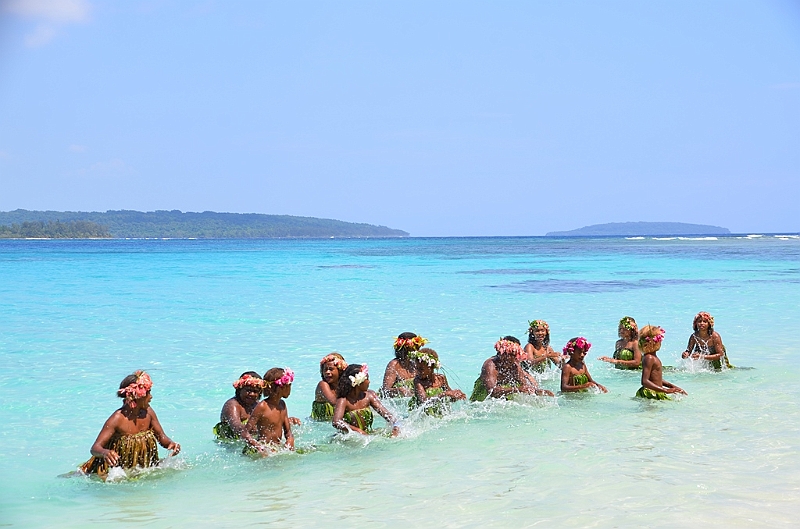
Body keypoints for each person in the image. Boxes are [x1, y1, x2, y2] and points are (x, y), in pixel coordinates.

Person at [79, 371, 180, 480]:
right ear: (136, 396)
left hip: (140, 468)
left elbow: (161, 437)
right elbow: (95, 448)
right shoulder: (117, 419)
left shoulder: (148, 413)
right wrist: (105, 453)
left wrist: (171, 444)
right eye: (148, 393)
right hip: (115, 471)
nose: (151, 397)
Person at [470, 336, 553, 401]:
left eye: (516, 354)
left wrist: (538, 392)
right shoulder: (490, 365)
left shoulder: (515, 365)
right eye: (512, 354)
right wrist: (517, 389)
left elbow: (525, 385)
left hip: (506, 392)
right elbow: (491, 391)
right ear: (503, 353)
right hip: (483, 395)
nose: (516, 358)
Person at [333, 364, 400, 436]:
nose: (369, 382)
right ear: (359, 382)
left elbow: (388, 415)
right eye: (367, 378)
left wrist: (395, 426)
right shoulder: (343, 400)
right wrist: (358, 431)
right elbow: (336, 422)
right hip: (348, 437)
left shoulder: (369, 396)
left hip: (366, 435)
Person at [245, 368, 295, 454]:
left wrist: (290, 440)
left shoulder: (282, 405)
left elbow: (288, 432)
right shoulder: (262, 406)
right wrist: (257, 446)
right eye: (289, 386)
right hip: (263, 448)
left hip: (276, 448)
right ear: (280, 388)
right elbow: (245, 432)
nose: (290, 389)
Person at [408, 348, 466, 416]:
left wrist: (457, 395)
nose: (418, 372)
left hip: (440, 413)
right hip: (425, 415)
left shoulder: (441, 378)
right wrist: (445, 394)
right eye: (417, 368)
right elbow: (424, 401)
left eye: (421, 369)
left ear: (431, 367)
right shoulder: (418, 382)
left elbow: (449, 398)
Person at [637, 325, 687, 399]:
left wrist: (672, 387)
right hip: (650, 393)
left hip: (656, 391)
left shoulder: (653, 357)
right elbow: (645, 381)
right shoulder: (649, 358)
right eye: (659, 340)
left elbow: (655, 379)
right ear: (653, 342)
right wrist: (665, 390)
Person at [213, 372, 263, 442]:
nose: (251, 394)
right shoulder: (232, 405)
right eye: (248, 390)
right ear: (240, 389)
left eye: (255, 391)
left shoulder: (257, 405)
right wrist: (254, 442)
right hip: (230, 444)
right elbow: (237, 427)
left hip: (249, 440)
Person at [381, 332, 426, 397]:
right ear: (404, 349)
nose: (417, 351)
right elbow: (385, 390)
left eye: (417, 348)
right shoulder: (394, 365)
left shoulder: (418, 363)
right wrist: (399, 390)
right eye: (414, 348)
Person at [312, 353, 347, 421]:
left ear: (340, 370)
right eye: (325, 369)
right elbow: (335, 403)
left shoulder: (344, 386)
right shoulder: (323, 385)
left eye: (331, 369)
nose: (327, 372)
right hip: (319, 423)